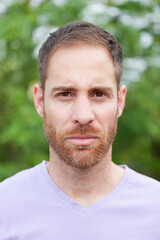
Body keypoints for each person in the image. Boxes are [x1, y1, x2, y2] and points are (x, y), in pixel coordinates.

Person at [0, 21, 159, 240]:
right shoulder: (5, 207)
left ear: (120, 101)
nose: (83, 115)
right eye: (65, 94)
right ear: (39, 101)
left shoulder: (155, 209)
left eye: (98, 94)